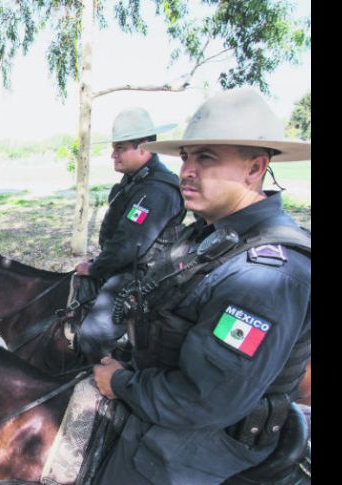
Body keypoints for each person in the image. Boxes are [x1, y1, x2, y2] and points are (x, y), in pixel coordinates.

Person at [82, 88, 311, 484]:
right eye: (186, 156)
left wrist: (121, 382)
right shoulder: (210, 234)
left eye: (206, 158)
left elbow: (205, 398)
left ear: (255, 168)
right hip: (161, 393)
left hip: (209, 434)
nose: (187, 169)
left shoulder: (268, 275)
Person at [75, 107, 185, 359]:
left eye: (120, 148)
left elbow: (128, 244)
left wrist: (94, 268)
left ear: (144, 147)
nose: (113, 154)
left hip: (147, 275)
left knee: (93, 335)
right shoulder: (137, 181)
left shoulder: (157, 190)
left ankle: (120, 382)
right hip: (129, 267)